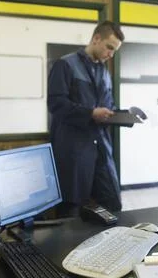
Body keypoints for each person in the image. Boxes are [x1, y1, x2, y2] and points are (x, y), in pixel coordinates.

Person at [47, 20, 125, 215]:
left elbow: (109, 106)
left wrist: (123, 115)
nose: (111, 54)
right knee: (71, 213)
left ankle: (107, 246)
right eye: (109, 47)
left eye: (114, 51)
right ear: (96, 39)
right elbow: (56, 104)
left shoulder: (105, 73)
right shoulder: (65, 65)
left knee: (113, 205)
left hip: (101, 151)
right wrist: (90, 114)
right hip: (74, 152)